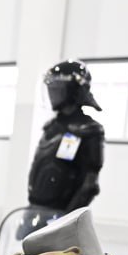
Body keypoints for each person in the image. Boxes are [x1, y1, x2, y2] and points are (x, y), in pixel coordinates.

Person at [26, 60, 104, 213]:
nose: (51, 92)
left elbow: (89, 184)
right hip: (34, 211)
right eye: (50, 87)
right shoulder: (51, 127)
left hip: (61, 216)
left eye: (56, 87)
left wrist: (66, 220)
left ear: (74, 89)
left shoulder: (87, 130)